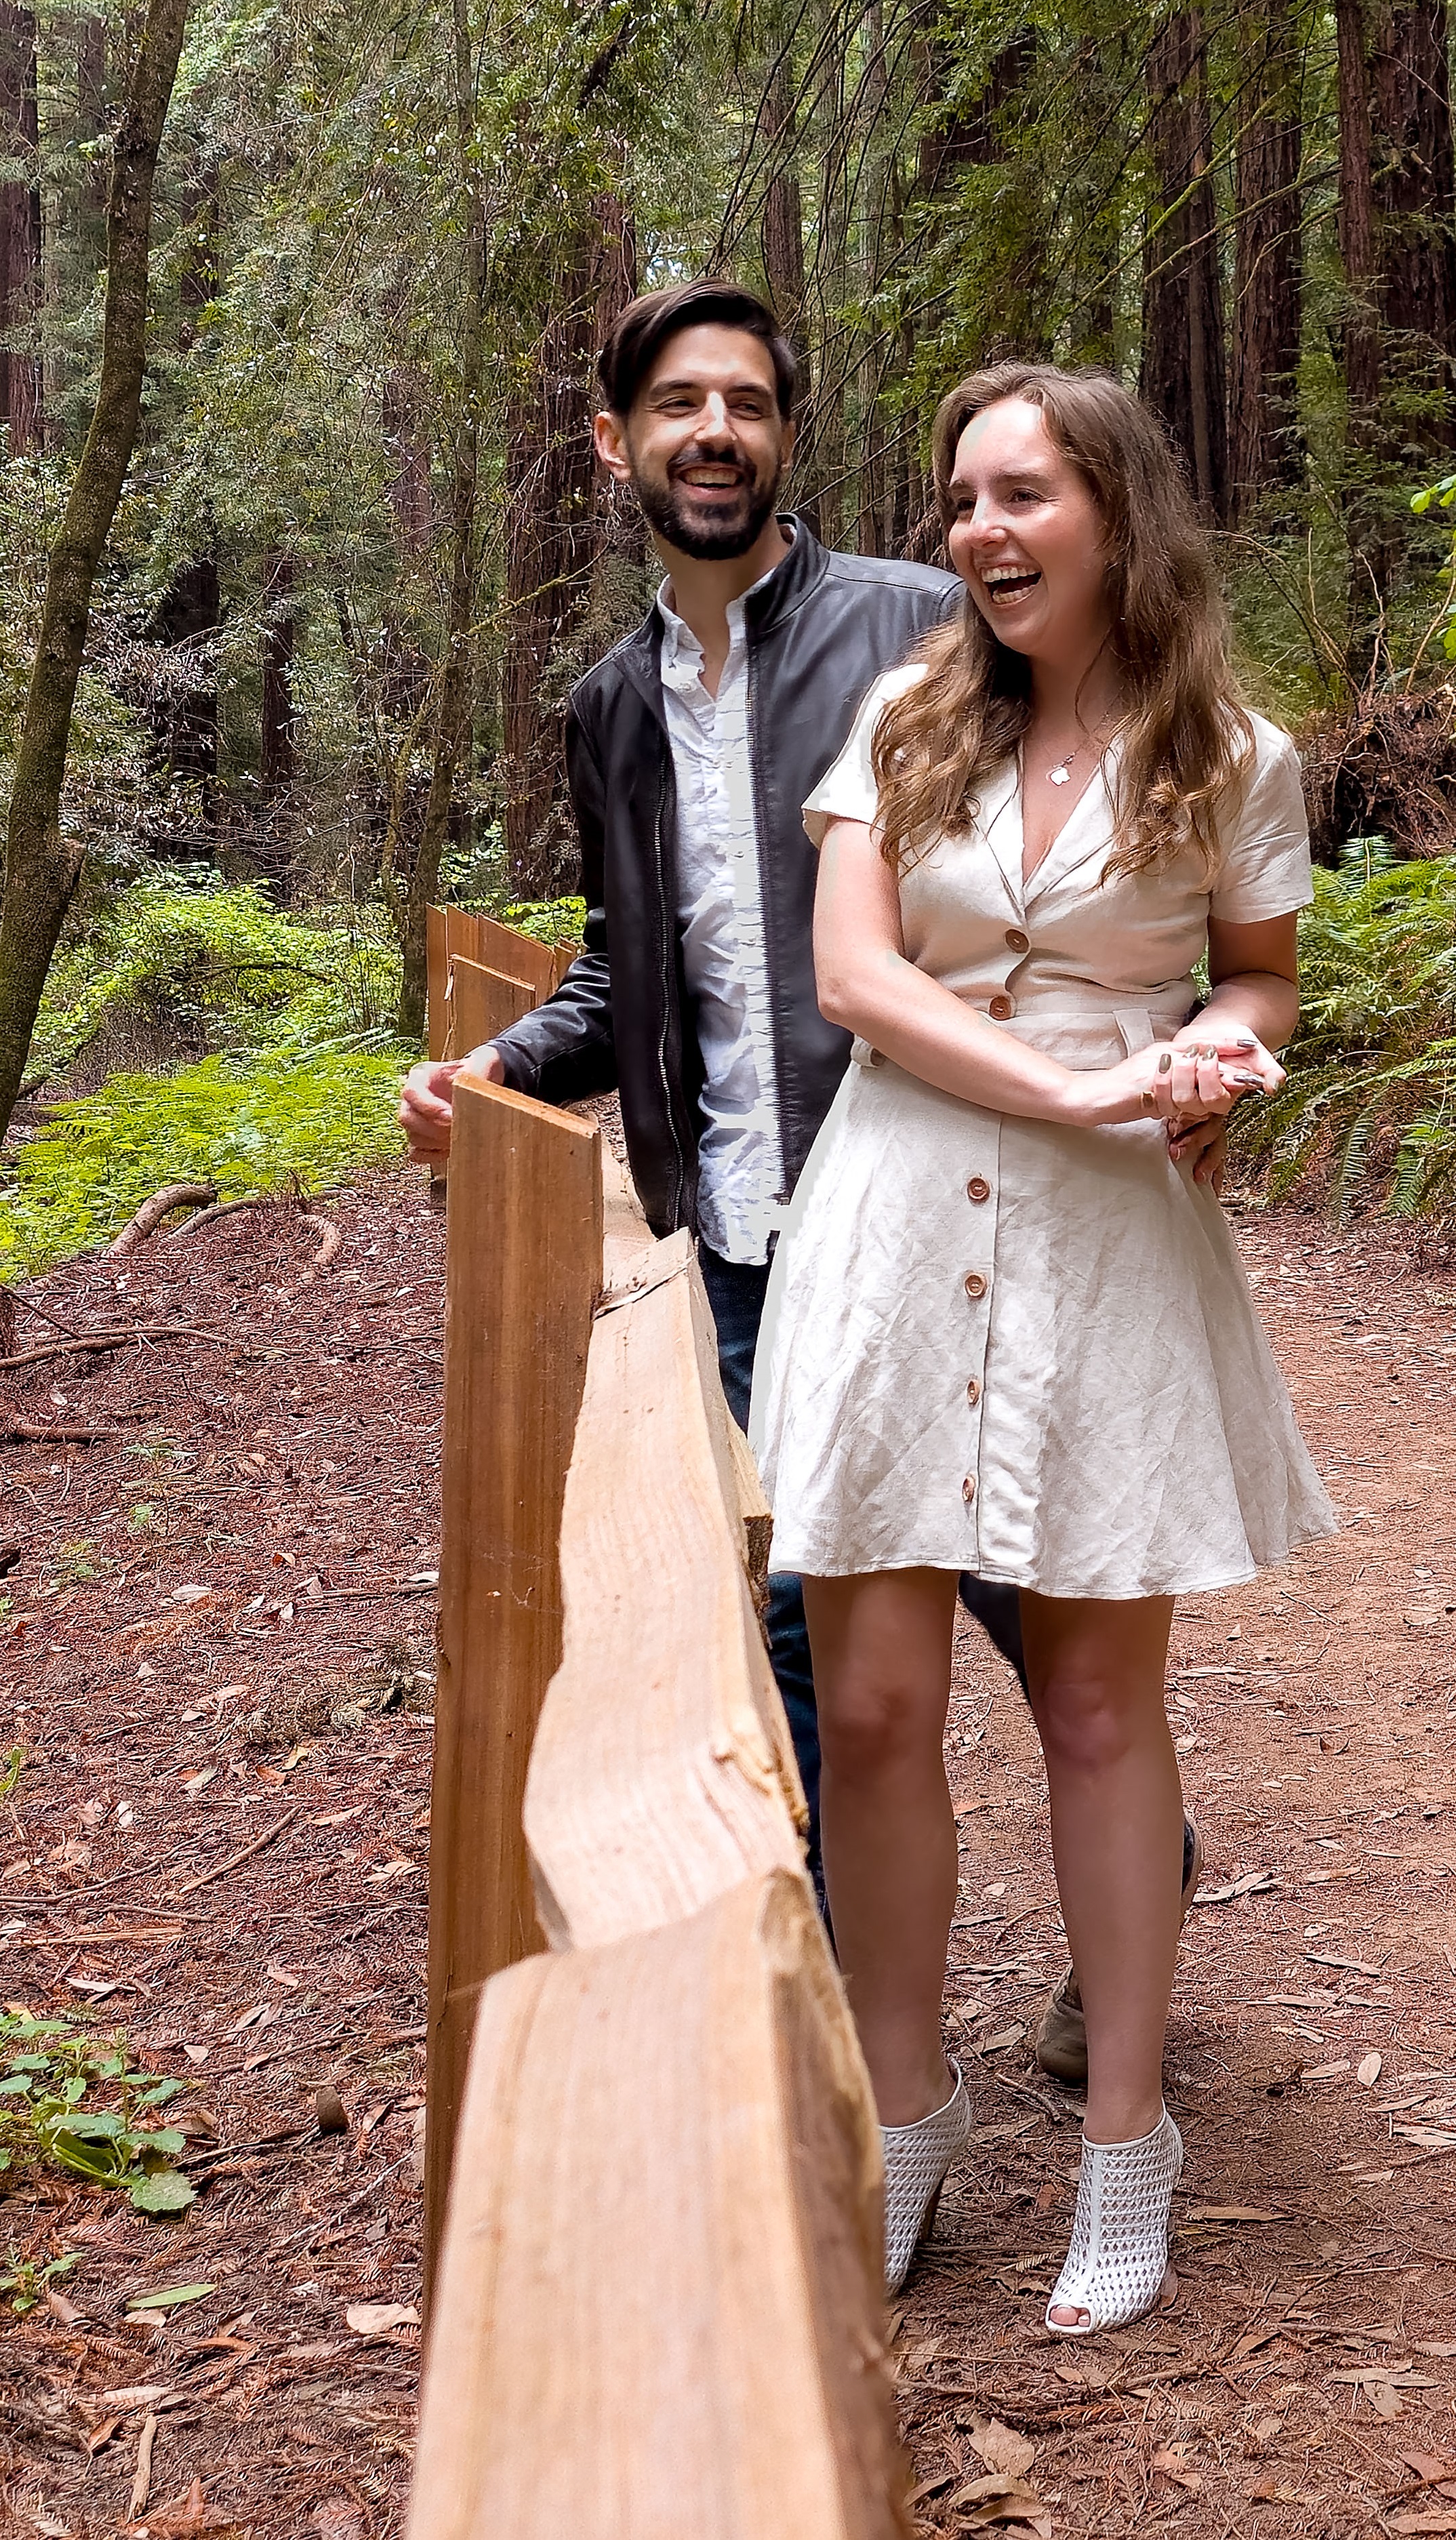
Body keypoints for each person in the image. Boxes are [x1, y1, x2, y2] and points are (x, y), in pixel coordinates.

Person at [748, 361, 1336, 2333]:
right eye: (960, 501)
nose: (981, 533)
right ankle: (904, 2113)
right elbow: (853, 978)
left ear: (1113, 509)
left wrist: (1218, 1061)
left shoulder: (1230, 747)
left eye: (1020, 495)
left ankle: (1122, 2140)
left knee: (1096, 1709)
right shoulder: (903, 719)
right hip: (896, 1220)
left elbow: (1256, 970)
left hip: (1106, 1251)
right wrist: (1072, 1089)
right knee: (879, 1705)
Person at [397, 279, 1038, 1877]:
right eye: (681, 403)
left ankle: (1133, 1869)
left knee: (1026, 1584)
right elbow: (633, 967)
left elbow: (1052, 859)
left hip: (935, 1197)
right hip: (744, 1232)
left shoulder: (917, 622)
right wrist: (496, 1063)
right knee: (797, 1607)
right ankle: (830, 2012)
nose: (715, 431)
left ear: (785, 436)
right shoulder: (611, 708)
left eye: (747, 403)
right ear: (615, 443)